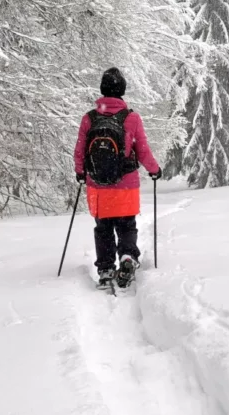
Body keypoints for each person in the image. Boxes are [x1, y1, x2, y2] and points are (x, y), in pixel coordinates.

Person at [74, 67, 161, 289]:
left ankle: (105, 270)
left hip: (98, 186)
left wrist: (80, 172)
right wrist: (154, 169)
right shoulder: (131, 118)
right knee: (126, 226)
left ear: (102, 91)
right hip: (126, 185)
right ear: (122, 90)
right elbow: (142, 149)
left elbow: (80, 150)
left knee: (103, 228)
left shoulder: (89, 118)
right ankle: (127, 258)